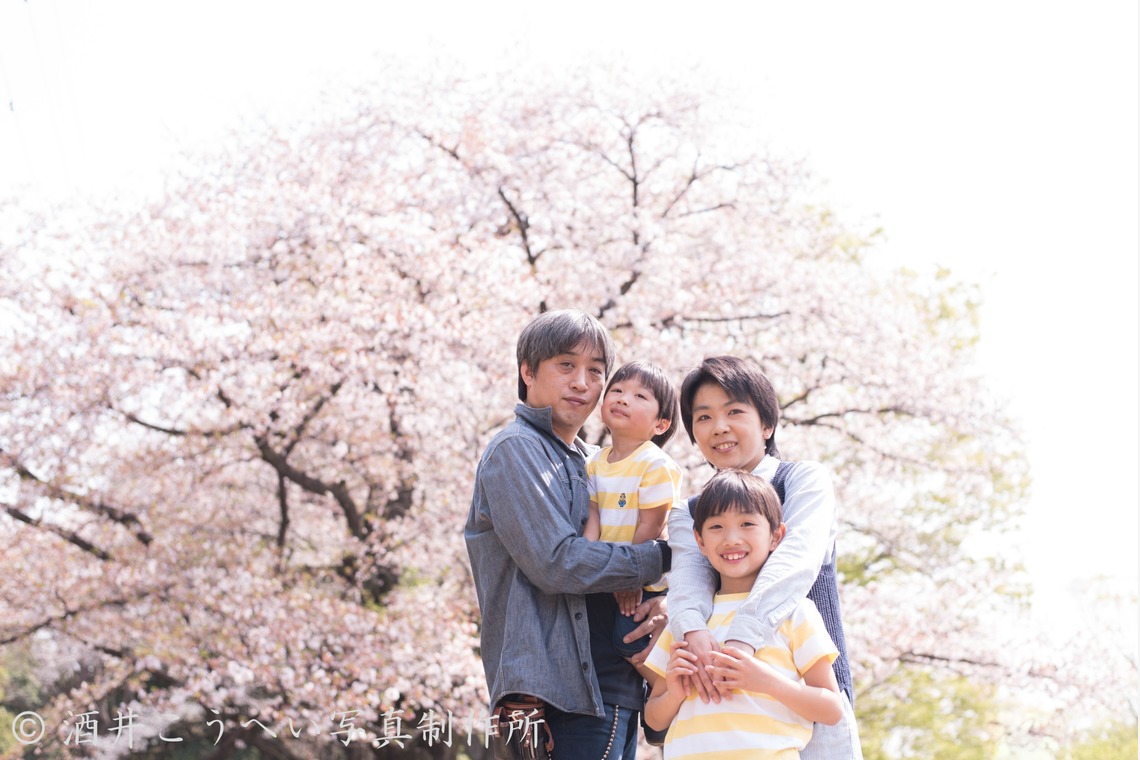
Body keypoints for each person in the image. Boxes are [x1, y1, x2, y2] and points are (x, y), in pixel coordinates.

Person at [465, 309, 672, 759]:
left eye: (595, 371)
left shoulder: (595, 461)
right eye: (565, 366)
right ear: (527, 371)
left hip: (605, 683)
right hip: (552, 695)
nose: (582, 382)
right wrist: (660, 558)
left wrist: (664, 594)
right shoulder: (517, 450)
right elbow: (556, 562)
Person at [667, 355, 864, 758]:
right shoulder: (688, 513)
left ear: (767, 424)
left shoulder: (801, 480)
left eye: (734, 411)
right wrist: (694, 634)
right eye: (703, 418)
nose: (719, 427)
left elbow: (796, 563)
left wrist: (740, 643)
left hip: (808, 693)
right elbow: (687, 585)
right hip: (721, 708)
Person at [644, 469, 842, 756]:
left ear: (776, 536)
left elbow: (831, 708)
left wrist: (766, 681)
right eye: (716, 527)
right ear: (699, 541)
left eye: (747, 523)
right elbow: (654, 718)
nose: (731, 538)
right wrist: (674, 693)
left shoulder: (794, 612)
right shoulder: (688, 620)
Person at [583, 361, 683, 665]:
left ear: (660, 424)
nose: (624, 398)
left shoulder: (655, 464)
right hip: (609, 572)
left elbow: (651, 526)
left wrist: (629, 578)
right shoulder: (595, 462)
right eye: (617, 390)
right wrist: (586, 557)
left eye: (640, 397)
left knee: (628, 643)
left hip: (644, 579)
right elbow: (593, 516)